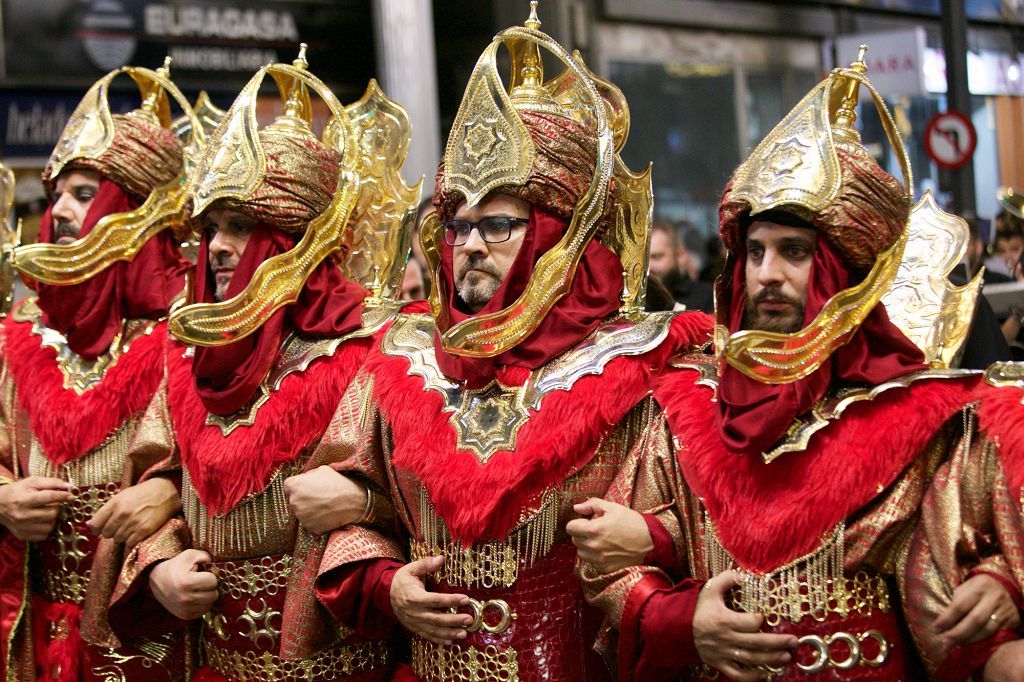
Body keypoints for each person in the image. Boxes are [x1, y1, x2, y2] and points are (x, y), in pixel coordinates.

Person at [580, 49, 1022, 681]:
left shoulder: (928, 418)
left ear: (842, 269)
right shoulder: (685, 408)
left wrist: (1004, 579)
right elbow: (612, 568)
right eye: (753, 252)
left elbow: (982, 550)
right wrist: (681, 617)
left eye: (793, 252)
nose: (766, 274)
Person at [302, 7, 712, 680]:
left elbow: (707, 542)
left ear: (557, 234)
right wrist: (386, 583)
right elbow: (350, 506)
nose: (468, 247)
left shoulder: (644, 368)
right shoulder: (402, 360)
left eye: (496, 224)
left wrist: (657, 538)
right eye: (456, 225)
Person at [105, 54, 420, 681]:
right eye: (212, 227)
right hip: (216, 662)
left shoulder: (378, 348)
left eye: (240, 227)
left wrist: (367, 502)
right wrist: (161, 567)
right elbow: (160, 486)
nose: (217, 247)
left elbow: (434, 504)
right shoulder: (186, 354)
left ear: (293, 240)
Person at [0, 61, 196, 681]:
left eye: (84, 196)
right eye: (56, 192)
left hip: (150, 630)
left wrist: (169, 495)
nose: (57, 211)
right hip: (37, 633)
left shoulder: (193, 337)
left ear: (134, 216)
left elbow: (251, 483)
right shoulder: (17, 333)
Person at [649, 220, 713, 312]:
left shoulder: (705, 296)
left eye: (657, 257)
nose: (649, 266)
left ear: (680, 255)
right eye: (644, 260)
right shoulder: (637, 300)